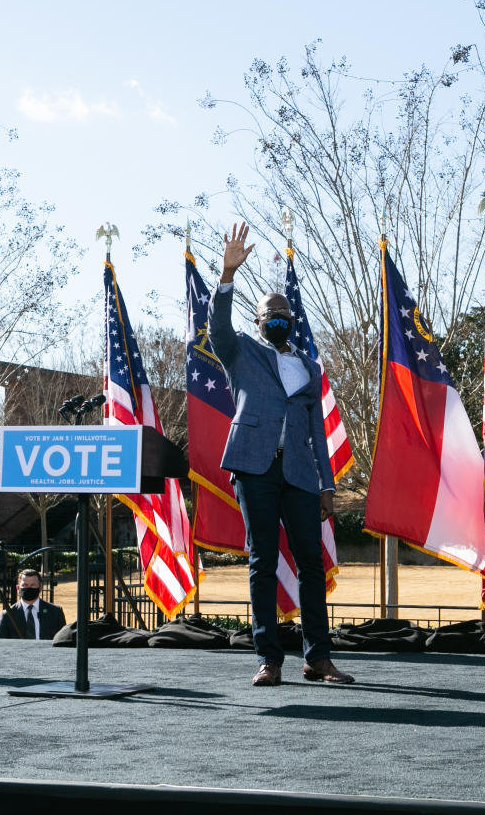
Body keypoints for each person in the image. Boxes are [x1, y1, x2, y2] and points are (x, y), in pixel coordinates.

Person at [207, 222, 353, 687]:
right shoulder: (241, 351)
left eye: (284, 313)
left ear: (293, 320)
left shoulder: (309, 367)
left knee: (312, 561)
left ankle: (318, 658)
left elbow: (316, 430)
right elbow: (216, 326)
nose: (279, 317)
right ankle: (269, 659)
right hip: (254, 468)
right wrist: (227, 275)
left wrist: (327, 484)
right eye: (271, 313)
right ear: (257, 321)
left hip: (300, 474)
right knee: (262, 561)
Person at [0, 569, 66, 640]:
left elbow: (63, 641)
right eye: (25, 585)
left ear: (40, 588)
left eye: (33, 585)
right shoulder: (7, 615)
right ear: (18, 588)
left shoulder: (56, 612)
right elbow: (1, 645)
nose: (29, 588)